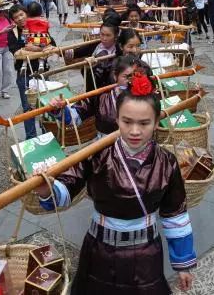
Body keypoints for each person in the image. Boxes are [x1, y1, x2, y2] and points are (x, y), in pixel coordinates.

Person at [34, 70, 196, 293]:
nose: (135, 131)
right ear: (117, 118)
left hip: (146, 250)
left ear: (157, 121)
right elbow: (68, 183)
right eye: (127, 121)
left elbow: (175, 214)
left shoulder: (166, 162)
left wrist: (183, 265)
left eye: (144, 123)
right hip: (100, 247)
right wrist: (47, 189)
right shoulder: (98, 153)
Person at [7, 4, 45, 140]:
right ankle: (31, 138)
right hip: (24, 75)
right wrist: (38, 48)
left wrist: (34, 48)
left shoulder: (39, 25)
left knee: (46, 105)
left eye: (21, 14)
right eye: (15, 17)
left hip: (42, 73)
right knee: (28, 108)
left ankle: (47, 135)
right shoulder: (13, 33)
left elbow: (51, 44)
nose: (19, 19)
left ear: (27, 13)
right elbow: (16, 52)